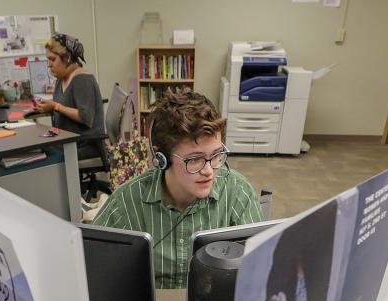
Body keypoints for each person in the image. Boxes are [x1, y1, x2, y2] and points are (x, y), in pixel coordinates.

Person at [92, 90, 263, 289]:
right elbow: (93, 265)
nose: (208, 170)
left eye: (216, 155)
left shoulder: (237, 192)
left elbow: (260, 267)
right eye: (194, 159)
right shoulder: (126, 202)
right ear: (161, 158)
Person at [34, 33, 105, 162]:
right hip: (69, 140)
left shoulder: (82, 79)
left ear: (66, 58)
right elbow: (64, 106)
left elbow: (85, 117)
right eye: (48, 60)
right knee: (37, 146)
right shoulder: (61, 78)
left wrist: (55, 106)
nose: (49, 65)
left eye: (53, 59)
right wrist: (48, 107)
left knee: (42, 157)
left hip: (85, 144)